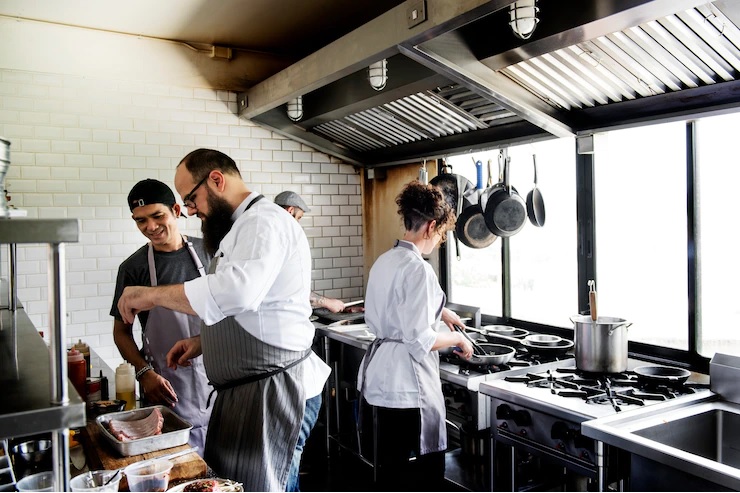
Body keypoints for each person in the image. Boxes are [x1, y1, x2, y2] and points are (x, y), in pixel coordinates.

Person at [116, 149, 330, 493]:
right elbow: (253, 309)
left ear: (216, 180)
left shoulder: (263, 222)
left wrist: (150, 295)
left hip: (275, 389)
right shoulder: (241, 228)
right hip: (250, 391)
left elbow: (236, 293)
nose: (189, 210)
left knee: (267, 487)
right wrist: (205, 342)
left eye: (191, 198)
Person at [357, 180, 474, 491]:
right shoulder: (419, 269)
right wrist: (459, 340)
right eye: (441, 235)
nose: (439, 241)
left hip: (380, 380)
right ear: (431, 226)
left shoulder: (386, 260)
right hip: (407, 388)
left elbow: (394, 310)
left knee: (389, 472)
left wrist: (441, 312)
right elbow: (422, 339)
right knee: (424, 477)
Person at [110, 179, 212, 453]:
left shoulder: (211, 251)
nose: (150, 227)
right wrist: (145, 374)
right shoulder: (133, 268)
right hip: (166, 386)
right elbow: (121, 332)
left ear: (176, 210)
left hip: (218, 379)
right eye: (140, 221)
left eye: (157, 216)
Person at [274, 190, 346, 313]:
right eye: (299, 217)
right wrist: (327, 302)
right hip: (283, 318)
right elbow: (293, 288)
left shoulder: (271, 234)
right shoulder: (282, 240)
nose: (298, 222)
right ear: (290, 210)